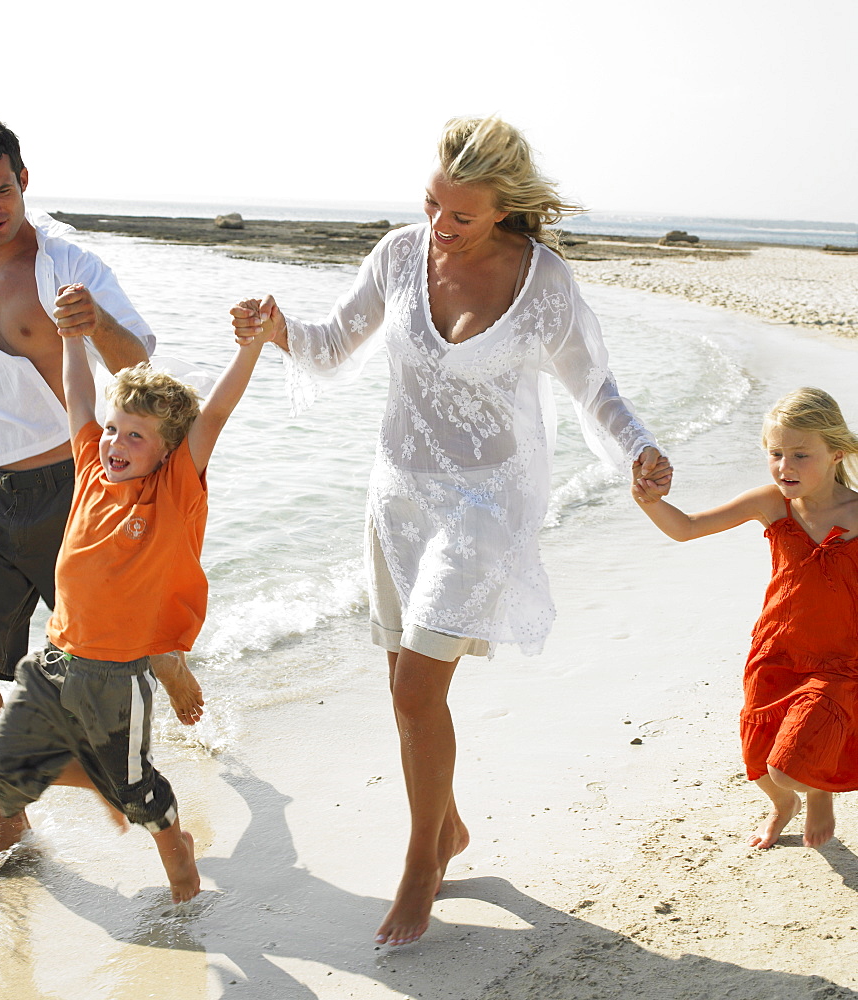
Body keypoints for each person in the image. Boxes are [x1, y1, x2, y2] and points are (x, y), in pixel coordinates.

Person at [231, 116, 672, 946]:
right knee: (406, 686)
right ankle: (451, 826)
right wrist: (277, 328)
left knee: (414, 692)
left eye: (460, 215)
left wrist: (640, 447)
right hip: (398, 495)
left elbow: (595, 392)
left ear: (506, 210)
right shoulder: (399, 254)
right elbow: (331, 345)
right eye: (431, 202)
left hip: (485, 501)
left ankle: (420, 863)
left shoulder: (542, 286)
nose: (439, 225)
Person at [0, 115, 201, 853]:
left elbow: (136, 358)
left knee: (102, 665)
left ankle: (161, 653)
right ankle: (11, 823)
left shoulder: (69, 265)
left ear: (24, 180)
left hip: (72, 491)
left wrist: (94, 323)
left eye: (1, 190)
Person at [0, 295, 271, 901]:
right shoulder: (90, 465)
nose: (115, 442)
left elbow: (213, 416)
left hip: (116, 672)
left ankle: (177, 857)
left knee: (138, 791)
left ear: (167, 451)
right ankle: (95, 782)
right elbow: (78, 393)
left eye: (135, 436)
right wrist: (74, 338)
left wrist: (251, 348)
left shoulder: (173, 491)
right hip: (57, 656)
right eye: (115, 429)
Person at [633, 387, 858, 850]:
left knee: (790, 761)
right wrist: (651, 503)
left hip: (837, 661)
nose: (784, 467)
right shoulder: (772, 503)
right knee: (759, 759)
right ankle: (783, 805)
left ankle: (817, 795)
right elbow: (688, 528)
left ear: (836, 451)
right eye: (775, 453)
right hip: (775, 651)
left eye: (800, 454)